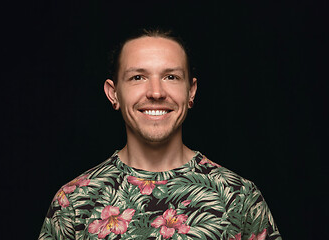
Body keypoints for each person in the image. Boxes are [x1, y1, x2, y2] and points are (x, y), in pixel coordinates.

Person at [38, 28, 282, 240]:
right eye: (138, 77)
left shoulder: (238, 196)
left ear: (191, 92)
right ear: (114, 94)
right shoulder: (73, 201)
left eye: (171, 77)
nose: (156, 92)